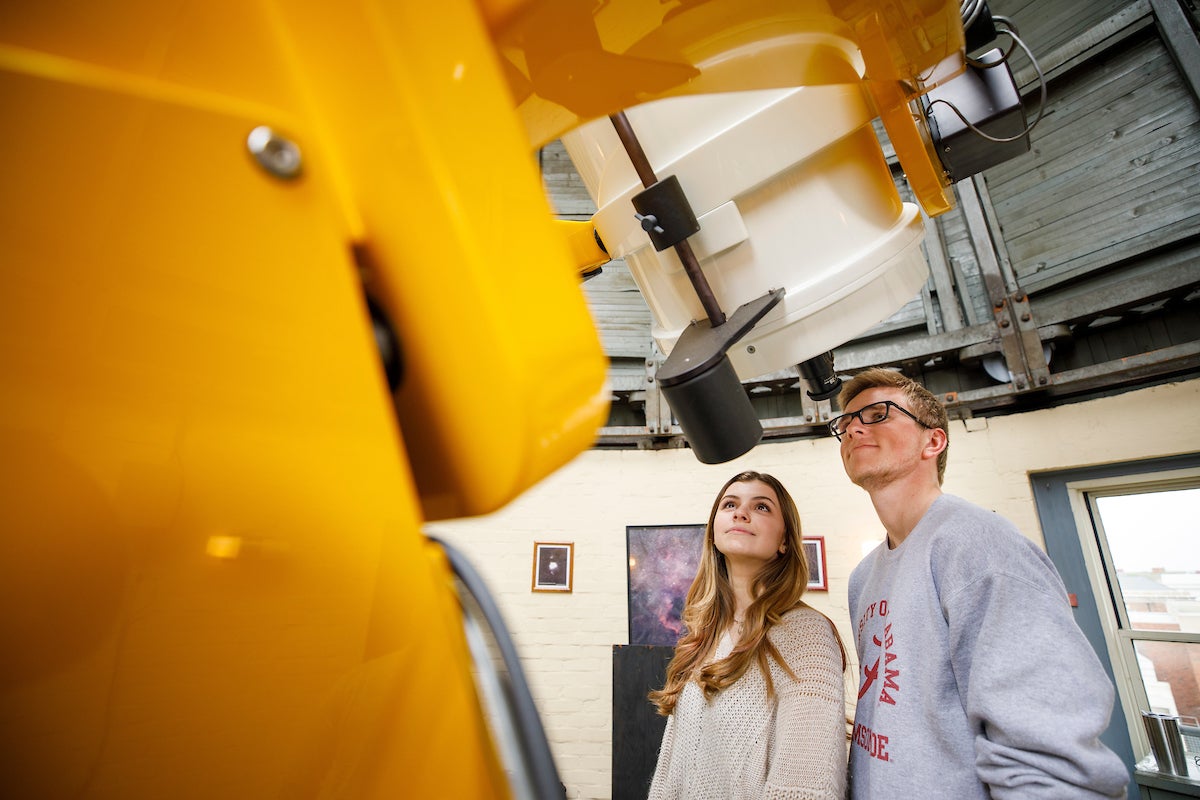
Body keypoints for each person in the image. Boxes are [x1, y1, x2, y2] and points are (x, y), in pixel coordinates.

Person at [833, 367, 1129, 799]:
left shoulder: (980, 544)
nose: (854, 428)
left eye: (879, 414)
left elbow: (1050, 760)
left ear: (933, 441)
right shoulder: (864, 575)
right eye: (844, 424)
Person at [647, 470, 847, 800]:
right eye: (729, 504)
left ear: (784, 541)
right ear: (713, 533)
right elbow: (672, 770)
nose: (741, 512)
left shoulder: (805, 634)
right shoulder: (706, 636)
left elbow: (806, 787)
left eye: (762, 507)